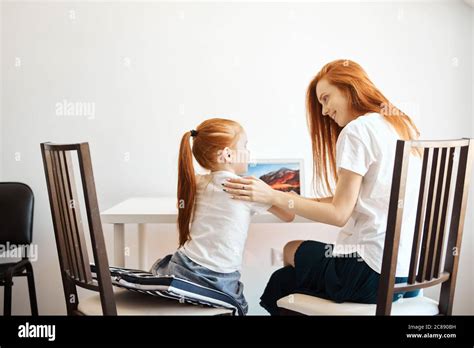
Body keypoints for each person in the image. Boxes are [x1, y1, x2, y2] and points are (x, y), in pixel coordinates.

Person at [223, 60, 422, 315]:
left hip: (369, 271)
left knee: (287, 260)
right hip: (408, 277)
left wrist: (272, 195)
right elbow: (360, 200)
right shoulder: (397, 126)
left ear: (349, 88)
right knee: (293, 272)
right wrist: (302, 200)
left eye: (326, 99)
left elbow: (340, 214)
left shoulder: (357, 130)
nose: (325, 111)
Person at [150, 117, 295, 314]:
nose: (248, 152)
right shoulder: (246, 187)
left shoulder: (198, 182)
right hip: (218, 280)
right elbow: (288, 216)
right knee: (242, 308)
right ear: (227, 154)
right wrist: (282, 196)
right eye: (245, 145)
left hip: (181, 268)